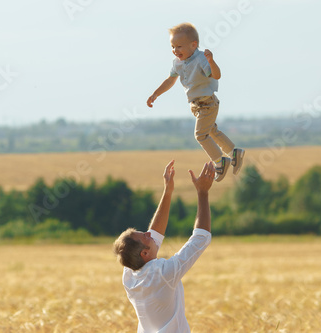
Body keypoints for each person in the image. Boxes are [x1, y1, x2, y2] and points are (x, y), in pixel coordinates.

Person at [113, 160, 215, 332]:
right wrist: (203, 193)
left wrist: (167, 192)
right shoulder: (164, 273)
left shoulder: (129, 274)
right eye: (144, 236)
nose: (148, 233)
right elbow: (201, 238)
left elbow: (155, 235)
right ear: (145, 253)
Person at [146, 22, 245, 182]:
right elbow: (170, 80)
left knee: (200, 135)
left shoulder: (200, 60)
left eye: (179, 46)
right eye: (173, 46)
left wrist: (211, 61)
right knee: (212, 131)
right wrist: (155, 94)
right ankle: (234, 152)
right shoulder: (177, 63)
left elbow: (216, 75)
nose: (175, 51)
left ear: (194, 45)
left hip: (207, 103)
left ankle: (220, 162)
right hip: (197, 106)